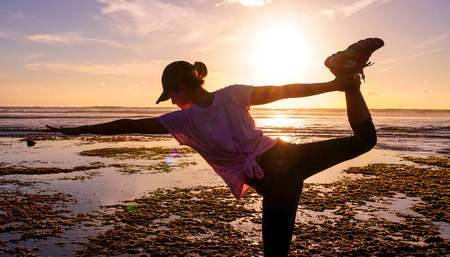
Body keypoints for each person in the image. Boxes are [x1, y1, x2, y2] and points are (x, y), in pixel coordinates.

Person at [46, 37, 384, 256]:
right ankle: (348, 78)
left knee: (275, 253)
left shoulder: (184, 120)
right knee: (365, 141)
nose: (172, 103)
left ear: (180, 87)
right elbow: (284, 90)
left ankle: (347, 79)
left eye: (171, 96)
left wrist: (81, 129)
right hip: (287, 157)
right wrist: (333, 85)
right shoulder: (233, 94)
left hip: (277, 177)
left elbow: (129, 126)